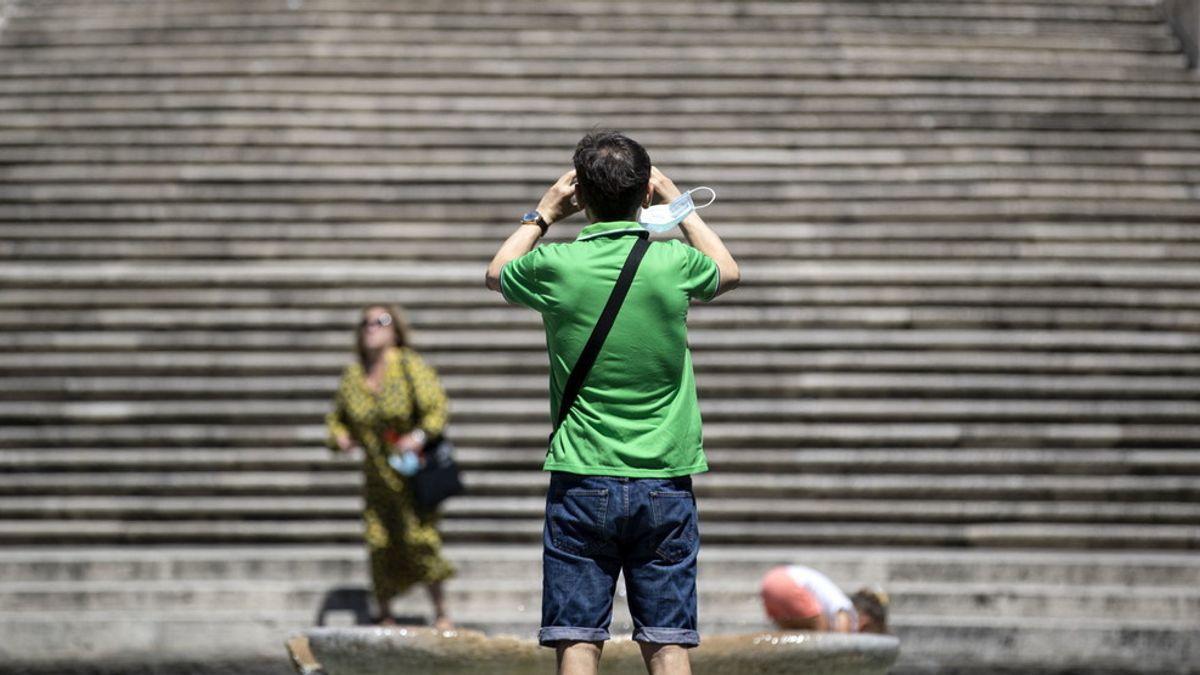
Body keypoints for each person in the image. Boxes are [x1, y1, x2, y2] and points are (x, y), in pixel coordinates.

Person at [485, 131, 740, 675]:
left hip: (582, 475)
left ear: (580, 195)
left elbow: (494, 272)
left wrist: (543, 213)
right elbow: (728, 270)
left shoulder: (553, 266)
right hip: (665, 474)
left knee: (576, 638)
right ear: (644, 192)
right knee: (669, 643)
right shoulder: (672, 263)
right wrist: (678, 204)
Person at [324, 303, 456, 630]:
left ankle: (441, 611)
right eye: (365, 322)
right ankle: (384, 614)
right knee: (378, 543)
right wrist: (339, 438)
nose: (371, 327)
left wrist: (419, 435)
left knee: (421, 540)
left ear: (395, 329)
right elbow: (336, 420)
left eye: (380, 321)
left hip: (410, 474)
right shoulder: (354, 375)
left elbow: (436, 408)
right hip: (376, 478)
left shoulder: (409, 365)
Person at [760, 565, 889, 634]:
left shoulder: (832, 602)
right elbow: (841, 641)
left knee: (792, 635)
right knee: (822, 633)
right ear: (865, 622)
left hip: (768, 581)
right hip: (788, 581)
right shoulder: (848, 611)